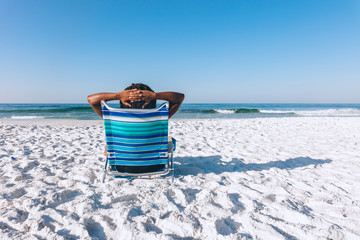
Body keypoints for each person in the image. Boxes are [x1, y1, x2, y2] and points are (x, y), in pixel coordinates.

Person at [87, 83, 184, 173]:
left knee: (110, 144)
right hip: (155, 166)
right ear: (151, 101)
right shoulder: (159, 117)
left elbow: (91, 99)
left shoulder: (115, 119)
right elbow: (180, 97)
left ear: (123, 101)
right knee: (169, 140)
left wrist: (117, 95)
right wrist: (155, 95)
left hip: (121, 167)